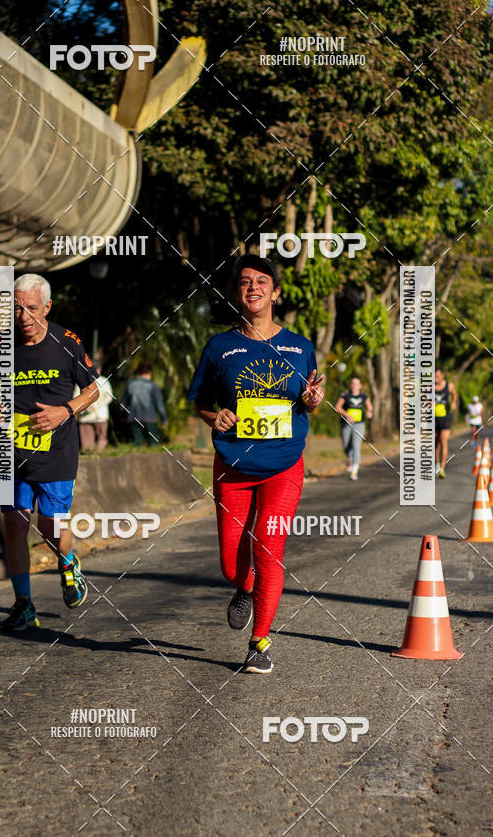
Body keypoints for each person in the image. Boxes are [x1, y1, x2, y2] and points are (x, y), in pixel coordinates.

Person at [188, 254, 324, 674]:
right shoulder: (219, 346)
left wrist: (312, 401)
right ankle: (244, 587)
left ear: (275, 293)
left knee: (269, 549)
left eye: (262, 281)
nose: (253, 288)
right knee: (232, 563)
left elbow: (311, 397)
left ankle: (259, 642)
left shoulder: (300, 346)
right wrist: (217, 416)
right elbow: (199, 402)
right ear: (237, 293)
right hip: (233, 466)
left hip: (284, 465)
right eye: (245, 282)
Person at [0, 273, 100, 631]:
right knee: (14, 524)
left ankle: (68, 562)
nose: (24, 316)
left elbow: (93, 390)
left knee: (50, 526)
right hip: (10, 449)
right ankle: (23, 603)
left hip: (56, 449)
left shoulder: (66, 341)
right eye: (17, 307)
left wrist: (64, 411)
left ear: (47, 307)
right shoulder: (1, 345)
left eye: (31, 308)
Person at [334, 376, 373, 480]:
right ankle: (350, 460)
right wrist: (346, 415)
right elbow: (337, 407)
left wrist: (369, 412)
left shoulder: (364, 396)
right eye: (353, 383)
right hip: (346, 424)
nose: (355, 386)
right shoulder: (345, 395)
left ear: (360, 386)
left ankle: (354, 471)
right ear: (350, 385)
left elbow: (369, 407)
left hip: (359, 424)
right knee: (347, 446)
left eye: (357, 384)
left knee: (356, 446)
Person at [121, 363, 168, 446]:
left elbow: (123, 404)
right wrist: (164, 419)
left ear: (139, 373)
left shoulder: (130, 385)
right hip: (150, 418)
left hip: (133, 418)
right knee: (153, 444)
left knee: (136, 444)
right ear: (150, 373)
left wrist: (123, 417)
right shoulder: (153, 386)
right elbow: (160, 406)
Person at [73, 358, 114, 452]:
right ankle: (95, 455)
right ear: (99, 369)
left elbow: (108, 397)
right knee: (97, 440)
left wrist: (93, 406)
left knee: (96, 441)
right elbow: (109, 397)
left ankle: (95, 454)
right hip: (88, 417)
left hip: (96, 416)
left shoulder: (103, 381)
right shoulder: (104, 381)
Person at [434, 368, 458, 478]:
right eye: (434, 376)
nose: (435, 379)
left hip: (445, 418)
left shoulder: (449, 385)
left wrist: (453, 402)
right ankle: (436, 465)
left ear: (442, 376)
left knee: (443, 442)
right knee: (435, 444)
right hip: (433, 418)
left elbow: (455, 395)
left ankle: (442, 469)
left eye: (437, 377)